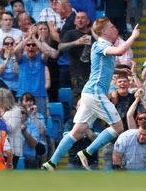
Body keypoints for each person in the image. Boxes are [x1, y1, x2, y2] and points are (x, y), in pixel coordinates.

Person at [42, 18, 139, 171]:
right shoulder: (101, 44)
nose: (115, 29)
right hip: (95, 92)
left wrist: (119, 71)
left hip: (89, 93)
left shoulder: (102, 46)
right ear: (104, 31)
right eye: (112, 27)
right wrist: (133, 36)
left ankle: (51, 163)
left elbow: (103, 69)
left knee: (77, 131)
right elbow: (121, 51)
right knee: (118, 127)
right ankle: (87, 152)